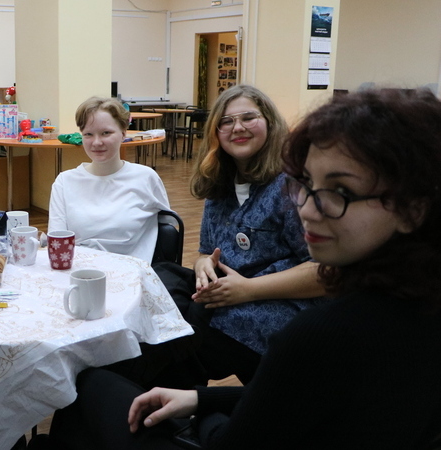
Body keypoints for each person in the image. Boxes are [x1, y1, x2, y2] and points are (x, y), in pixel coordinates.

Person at [36, 88, 441, 450]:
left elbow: (249, 427)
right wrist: (202, 398)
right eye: (306, 185)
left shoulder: (319, 335)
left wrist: (205, 412)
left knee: (106, 376)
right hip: (222, 308)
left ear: (414, 208)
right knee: (157, 333)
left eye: (341, 191)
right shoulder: (221, 187)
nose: (306, 208)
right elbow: (289, 401)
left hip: (241, 316)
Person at [155, 85, 324, 385]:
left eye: (248, 117)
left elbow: (324, 270)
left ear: (269, 122)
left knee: (187, 344)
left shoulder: (292, 185)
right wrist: (202, 265)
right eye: (227, 121)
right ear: (216, 132)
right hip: (228, 292)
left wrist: (248, 289)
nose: (238, 128)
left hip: (279, 302)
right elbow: (206, 250)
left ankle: (176, 402)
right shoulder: (219, 181)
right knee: (162, 289)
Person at [48, 96, 170, 263]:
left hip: (131, 273)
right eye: (88, 134)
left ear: (123, 133)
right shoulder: (65, 182)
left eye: (106, 133)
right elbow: (57, 240)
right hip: (80, 271)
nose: (97, 142)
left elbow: (167, 229)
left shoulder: (146, 178)